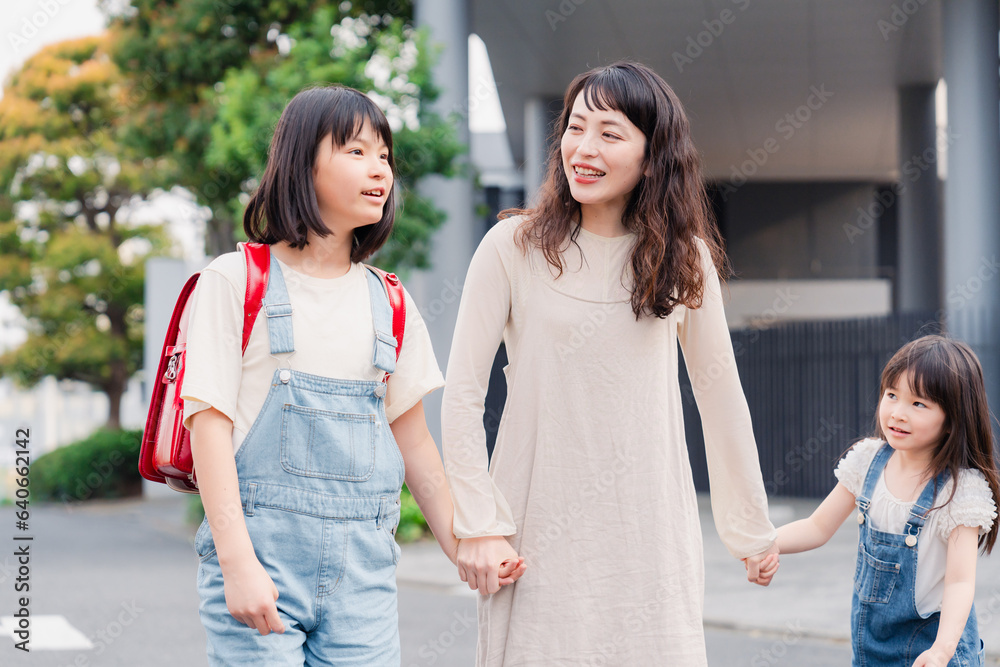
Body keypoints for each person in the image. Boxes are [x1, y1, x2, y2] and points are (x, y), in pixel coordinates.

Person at [441, 61, 778, 666]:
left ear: (653, 157)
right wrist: (479, 524)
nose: (583, 148)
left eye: (610, 133)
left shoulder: (686, 259)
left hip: (647, 529)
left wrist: (750, 529)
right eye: (575, 127)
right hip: (535, 528)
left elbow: (720, 396)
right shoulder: (511, 248)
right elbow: (462, 394)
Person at [181, 85, 523, 666]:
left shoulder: (388, 301)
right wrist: (237, 565)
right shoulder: (235, 280)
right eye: (356, 152)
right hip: (261, 562)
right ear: (300, 163)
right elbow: (207, 424)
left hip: (363, 579)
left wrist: (463, 545)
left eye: (385, 156)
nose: (380, 170)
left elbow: (413, 442)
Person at [756, 335, 999, 666]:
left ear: (952, 418)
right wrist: (766, 543)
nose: (898, 413)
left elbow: (959, 583)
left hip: (934, 649)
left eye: (918, 404)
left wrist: (942, 650)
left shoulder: (960, 492)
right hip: (871, 648)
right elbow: (817, 526)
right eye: (892, 395)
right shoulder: (868, 461)